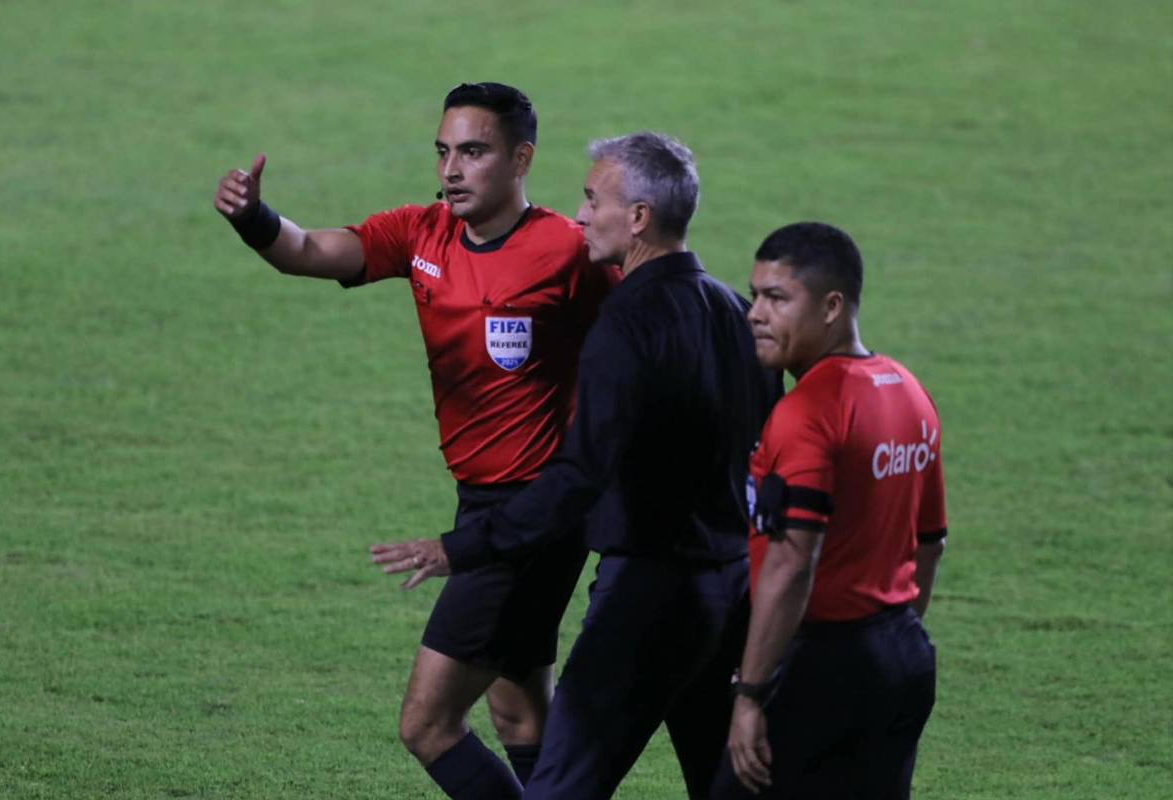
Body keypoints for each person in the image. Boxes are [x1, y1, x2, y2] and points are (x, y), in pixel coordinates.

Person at [214, 82, 616, 799]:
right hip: (483, 502)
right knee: (519, 713)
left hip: (532, 516)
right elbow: (309, 250)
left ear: (521, 158)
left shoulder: (566, 251)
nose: (451, 169)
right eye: (443, 152)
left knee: (427, 725)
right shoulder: (422, 232)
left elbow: (657, 314)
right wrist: (254, 217)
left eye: (473, 152)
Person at [372, 131, 782, 799]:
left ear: (640, 217)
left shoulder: (624, 319)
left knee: (563, 787)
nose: (581, 216)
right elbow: (766, 455)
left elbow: (579, 475)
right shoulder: (736, 312)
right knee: (722, 785)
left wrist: (463, 546)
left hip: (647, 594)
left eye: (593, 200)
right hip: (731, 593)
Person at [711, 222, 947, 799]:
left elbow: (792, 565)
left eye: (777, 298)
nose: (754, 314)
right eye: (755, 294)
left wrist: (751, 695)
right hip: (903, 653)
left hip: (823, 662)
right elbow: (930, 540)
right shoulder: (907, 390)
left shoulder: (807, 413)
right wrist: (894, 636)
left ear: (831, 307)